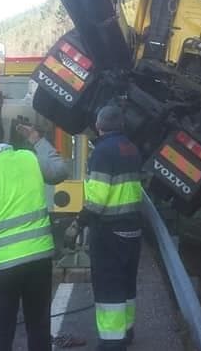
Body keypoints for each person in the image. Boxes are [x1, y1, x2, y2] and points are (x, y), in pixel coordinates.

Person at [0, 116, 68, 351]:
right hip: (38, 258)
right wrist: (36, 139)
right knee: (38, 327)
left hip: (1, 267)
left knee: (1, 331)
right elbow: (59, 171)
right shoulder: (28, 158)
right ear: (3, 136)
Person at [75, 104, 144, 350]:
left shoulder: (103, 152)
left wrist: (79, 222)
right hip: (132, 229)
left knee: (108, 287)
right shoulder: (131, 148)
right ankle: (126, 332)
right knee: (126, 284)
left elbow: (98, 198)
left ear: (99, 125)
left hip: (109, 232)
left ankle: (111, 343)